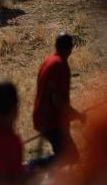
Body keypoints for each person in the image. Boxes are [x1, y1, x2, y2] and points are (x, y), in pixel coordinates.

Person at [29, 33, 85, 169]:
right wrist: (76, 114)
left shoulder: (48, 61)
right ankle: (31, 166)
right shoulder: (59, 66)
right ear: (70, 47)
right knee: (70, 156)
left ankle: (43, 172)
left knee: (64, 155)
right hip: (52, 121)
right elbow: (57, 101)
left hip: (43, 117)